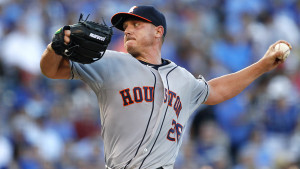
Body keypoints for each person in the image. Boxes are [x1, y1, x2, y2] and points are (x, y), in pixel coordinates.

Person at [40, 5, 291, 169]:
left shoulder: (183, 78)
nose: (127, 31)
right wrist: (55, 47)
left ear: (158, 31)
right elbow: (51, 70)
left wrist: (263, 65)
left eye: (136, 25)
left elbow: (217, 91)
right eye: (125, 27)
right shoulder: (109, 62)